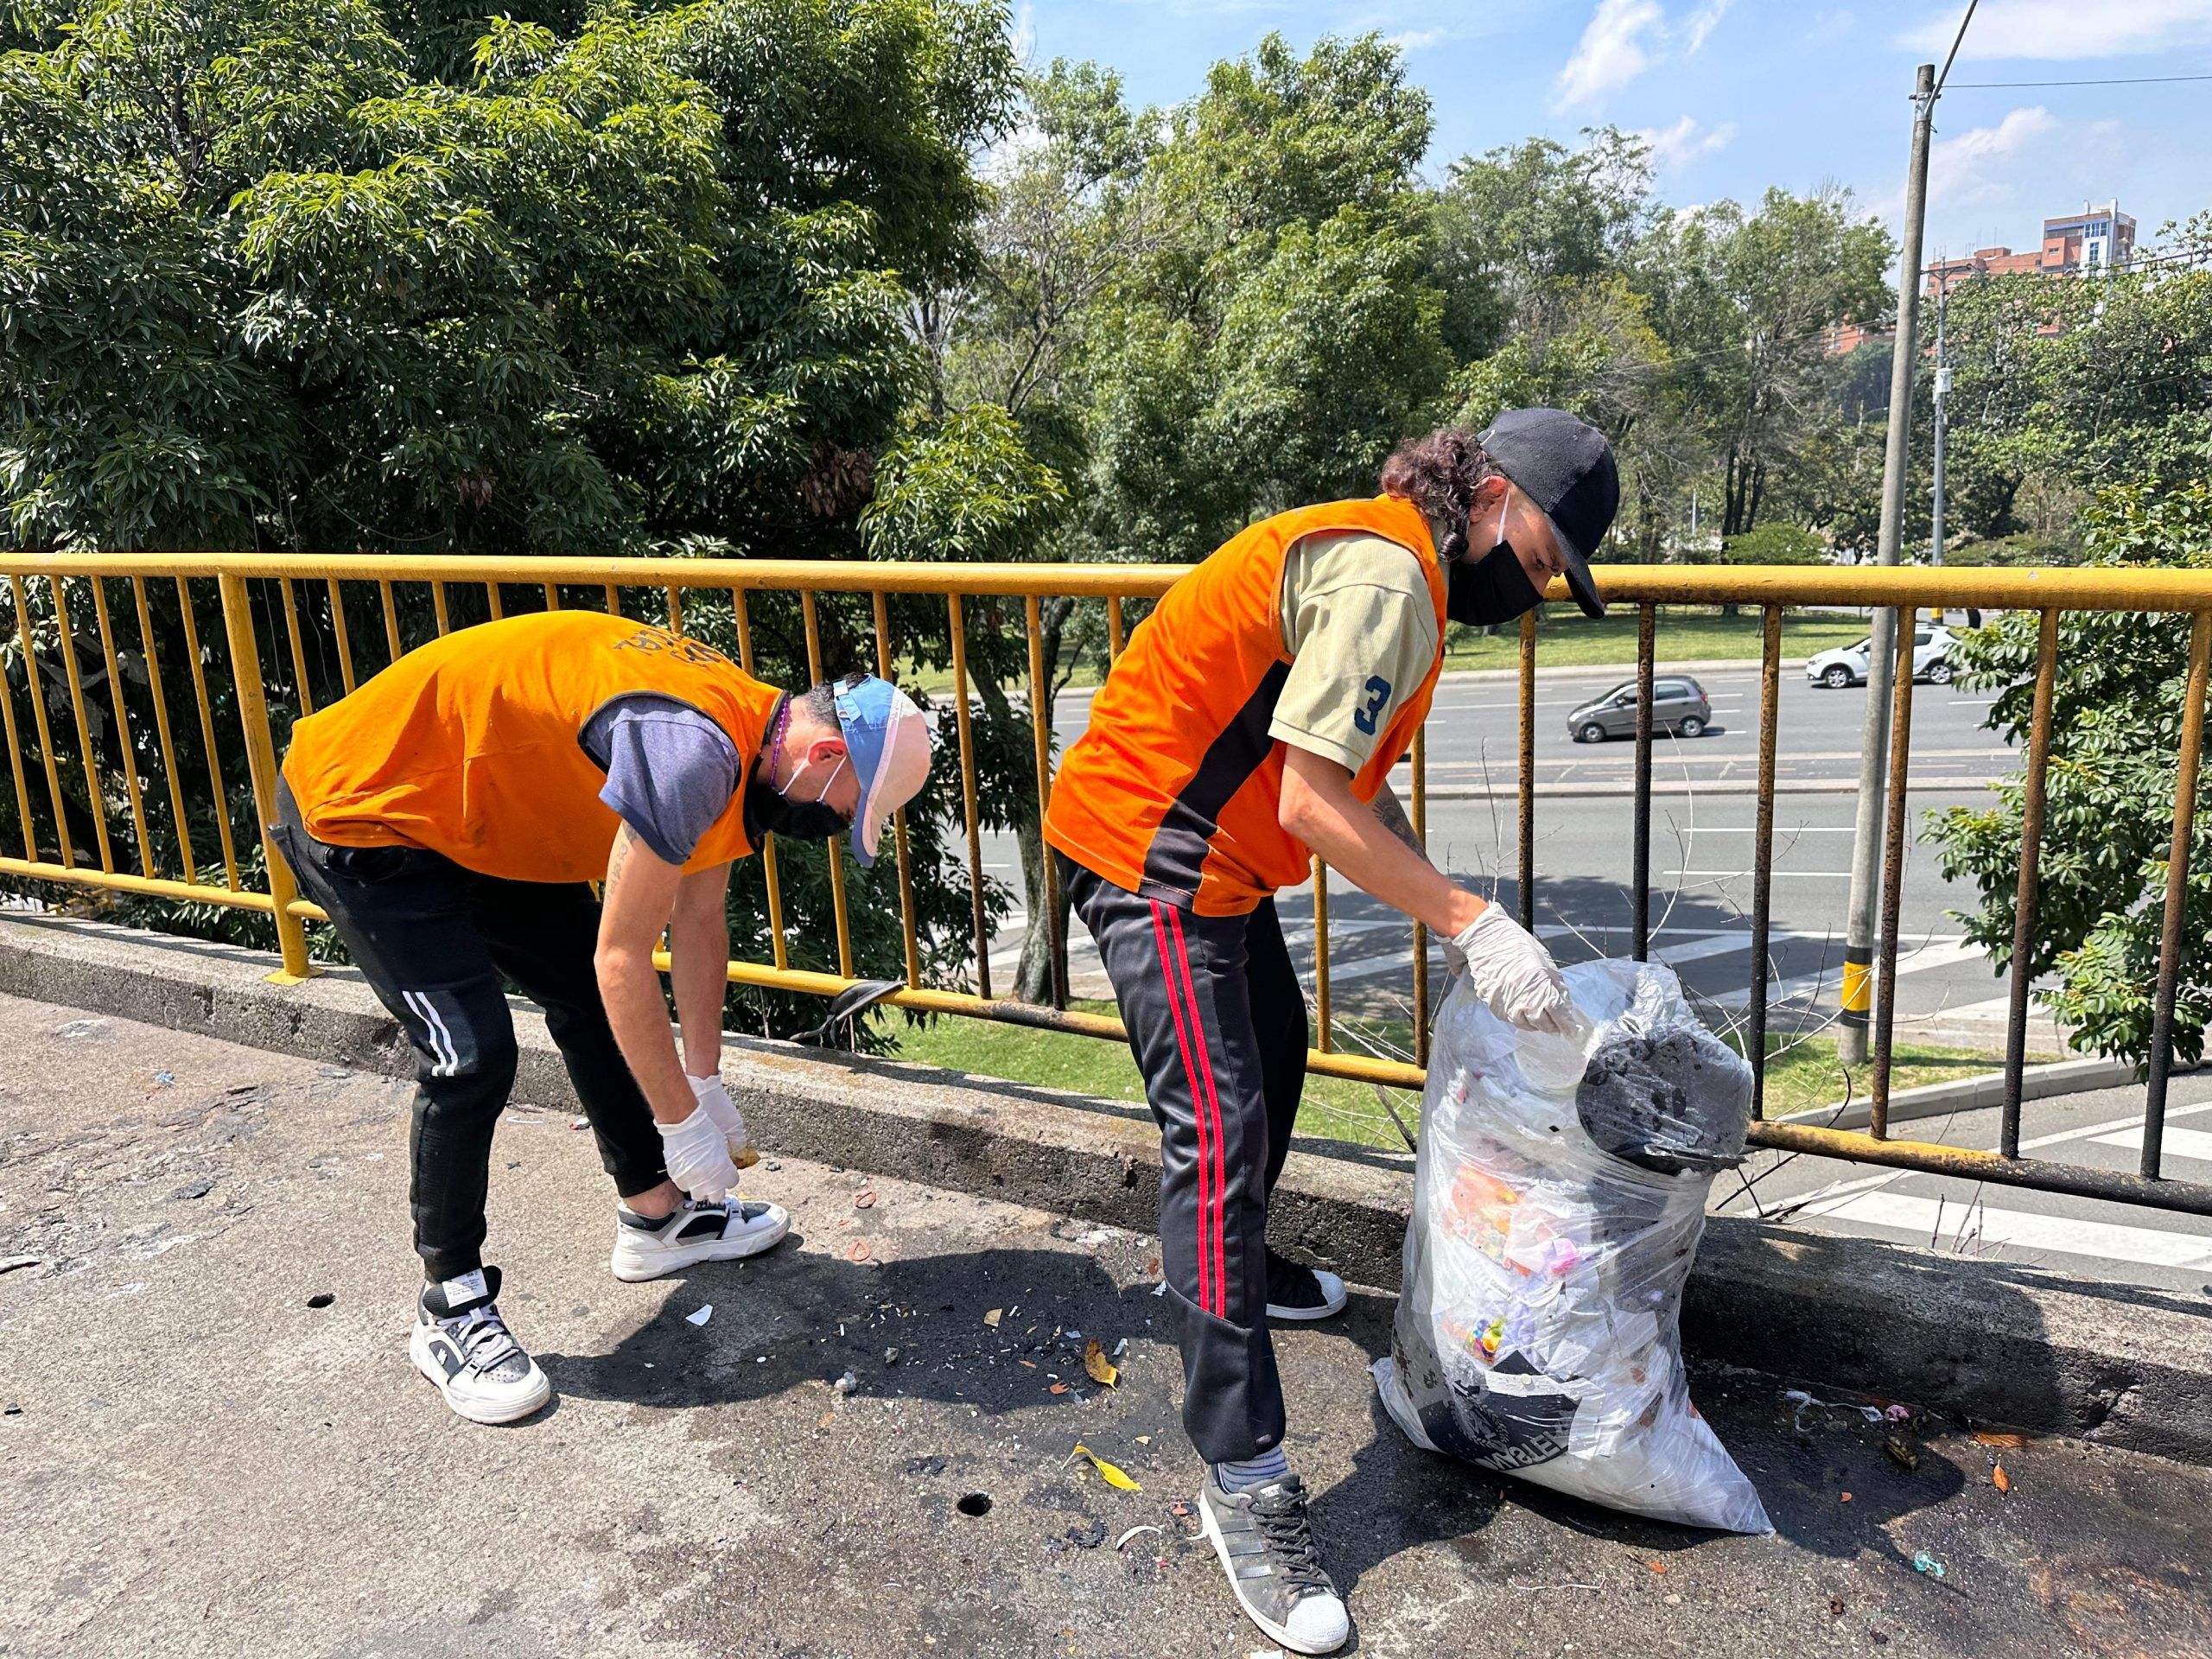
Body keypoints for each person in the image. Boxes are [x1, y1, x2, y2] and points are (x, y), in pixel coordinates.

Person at [1043, 409, 1619, 1654]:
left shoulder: (1397, 561)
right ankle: (1245, 1481)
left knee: (1277, 1047)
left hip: (1216, 861)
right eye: (1535, 560)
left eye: (1550, 584)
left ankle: (1231, 1276)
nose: (1529, 592)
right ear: (1495, 495)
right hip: (1157, 857)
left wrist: (1459, 909)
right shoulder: (1391, 577)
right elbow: (1311, 801)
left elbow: (1346, 783)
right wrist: (1469, 922)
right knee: (1219, 1138)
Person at [271, 608, 931, 1426]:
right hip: (365, 809)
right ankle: (450, 1308)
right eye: (844, 812)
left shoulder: (754, 733)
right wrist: (680, 1122)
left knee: (589, 1011)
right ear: (828, 755)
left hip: (481, 818)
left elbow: (699, 922)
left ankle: (656, 1217)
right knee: (470, 1058)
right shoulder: (693, 752)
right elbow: (621, 958)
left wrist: (704, 1080)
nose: (832, 829)